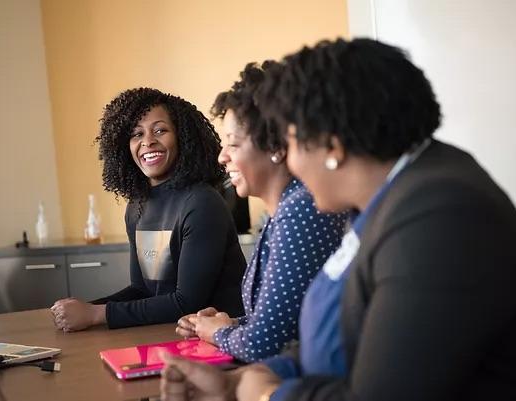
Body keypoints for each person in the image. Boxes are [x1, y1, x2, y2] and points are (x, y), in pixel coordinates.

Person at [160, 38, 516, 401]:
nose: (291, 164)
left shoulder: (441, 216)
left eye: (293, 142)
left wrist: (268, 395)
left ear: (332, 146)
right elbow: (342, 333)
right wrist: (248, 378)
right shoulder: (391, 200)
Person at [175, 63, 347, 362]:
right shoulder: (282, 212)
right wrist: (227, 325)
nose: (222, 156)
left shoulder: (300, 211)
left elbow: (264, 345)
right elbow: (286, 324)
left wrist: (217, 333)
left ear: (276, 147)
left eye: (233, 144)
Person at [51, 88, 246, 331]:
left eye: (160, 130)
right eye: (136, 134)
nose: (147, 141)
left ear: (182, 137)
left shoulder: (201, 203)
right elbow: (142, 290)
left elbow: (186, 302)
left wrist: (94, 314)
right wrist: (84, 309)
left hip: (219, 341)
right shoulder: (137, 206)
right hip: (164, 332)